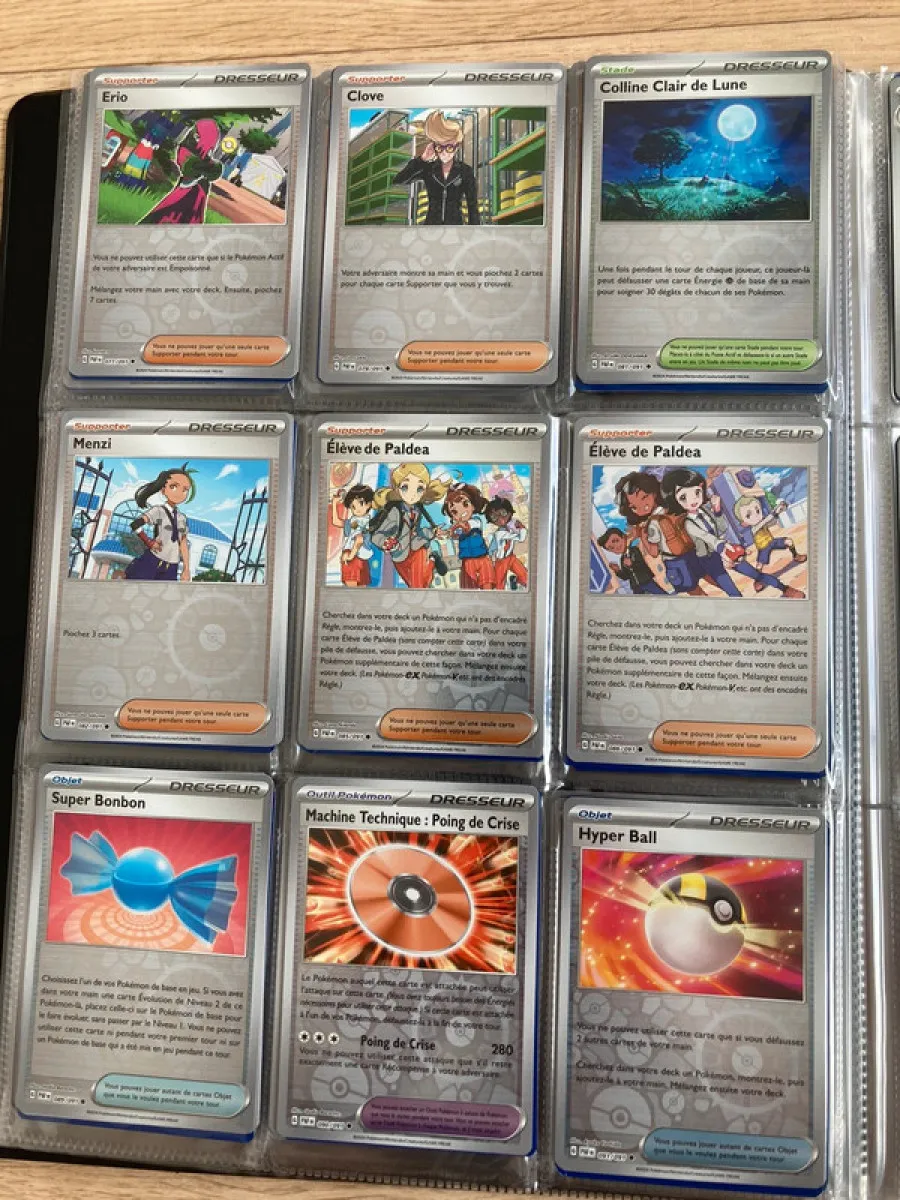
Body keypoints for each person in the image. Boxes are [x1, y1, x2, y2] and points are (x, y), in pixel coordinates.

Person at [369, 463, 453, 589]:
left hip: (417, 548)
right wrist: (385, 542)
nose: (412, 494)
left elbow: (418, 532)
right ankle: (432, 560)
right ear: (397, 488)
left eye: (419, 489)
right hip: (399, 554)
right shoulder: (394, 512)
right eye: (405, 487)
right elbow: (376, 535)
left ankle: (430, 559)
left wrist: (433, 532)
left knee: (417, 586)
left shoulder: (418, 509)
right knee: (420, 583)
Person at [392, 111, 479, 226]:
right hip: (431, 227)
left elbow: (472, 206)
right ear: (434, 147)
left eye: (449, 147)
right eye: (439, 147)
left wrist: (474, 231)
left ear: (457, 147)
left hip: (455, 227)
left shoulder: (465, 171)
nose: (444, 153)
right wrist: (422, 159)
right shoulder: (429, 169)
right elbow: (399, 180)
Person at [139, 118, 222, 225]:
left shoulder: (201, 162)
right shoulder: (194, 152)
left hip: (191, 189)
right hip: (187, 186)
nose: (192, 136)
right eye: (194, 133)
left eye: (197, 135)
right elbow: (183, 158)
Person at [124, 464, 195, 581]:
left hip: (172, 567)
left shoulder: (182, 518)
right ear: (163, 490)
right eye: (173, 487)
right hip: (153, 561)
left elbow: (183, 543)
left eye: (185, 489)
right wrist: (149, 542)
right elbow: (135, 524)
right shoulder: (158, 511)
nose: (179, 493)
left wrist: (186, 569)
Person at [733, 494, 807, 597]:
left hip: (772, 541)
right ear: (744, 523)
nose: (756, 516)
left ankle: (796, 555)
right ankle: (757, 580)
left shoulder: (763, 522)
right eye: (749, 516)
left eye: (757, 511)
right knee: (759, 566)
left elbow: (770, 521)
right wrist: (775, 512)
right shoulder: (754, 528)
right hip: (763, 548)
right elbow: (765, 522)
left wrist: (779, 511)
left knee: (789, 541)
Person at [442, 484, 495, 589]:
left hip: (482, 559)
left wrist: (452, 529)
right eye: (454, 511)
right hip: (467, 561)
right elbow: (455, 535)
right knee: (469, 587)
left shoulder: (476, 521)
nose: (461, 511)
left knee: (487, 584)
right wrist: (446, 533)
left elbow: (465, 527)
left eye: (465, 504)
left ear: (473, 506)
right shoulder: (457, 527)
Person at [331, 483, 375, 587]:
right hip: (362, 558)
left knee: (351, 591)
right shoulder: (359, 521)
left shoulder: (364, 522)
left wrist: (350, 556)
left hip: (352, 556)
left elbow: (359, 539)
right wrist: (334, 503)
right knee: (360, 590)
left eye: (360, 504)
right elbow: (336, 522)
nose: (357, 509)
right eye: (353, 506)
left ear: (369, 504)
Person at [485, 497, 528, 590]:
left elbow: (522, 537)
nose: (500, 519)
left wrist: (520, 527)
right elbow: (520, 538)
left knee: (526, 577)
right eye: (494, 517)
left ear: (509, 512)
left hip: (511, 557)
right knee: (499, 586)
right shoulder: (499, 534)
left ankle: (515, 580)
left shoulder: (511, 526)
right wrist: (521, 528)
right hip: (501, 561)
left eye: (503, 513)